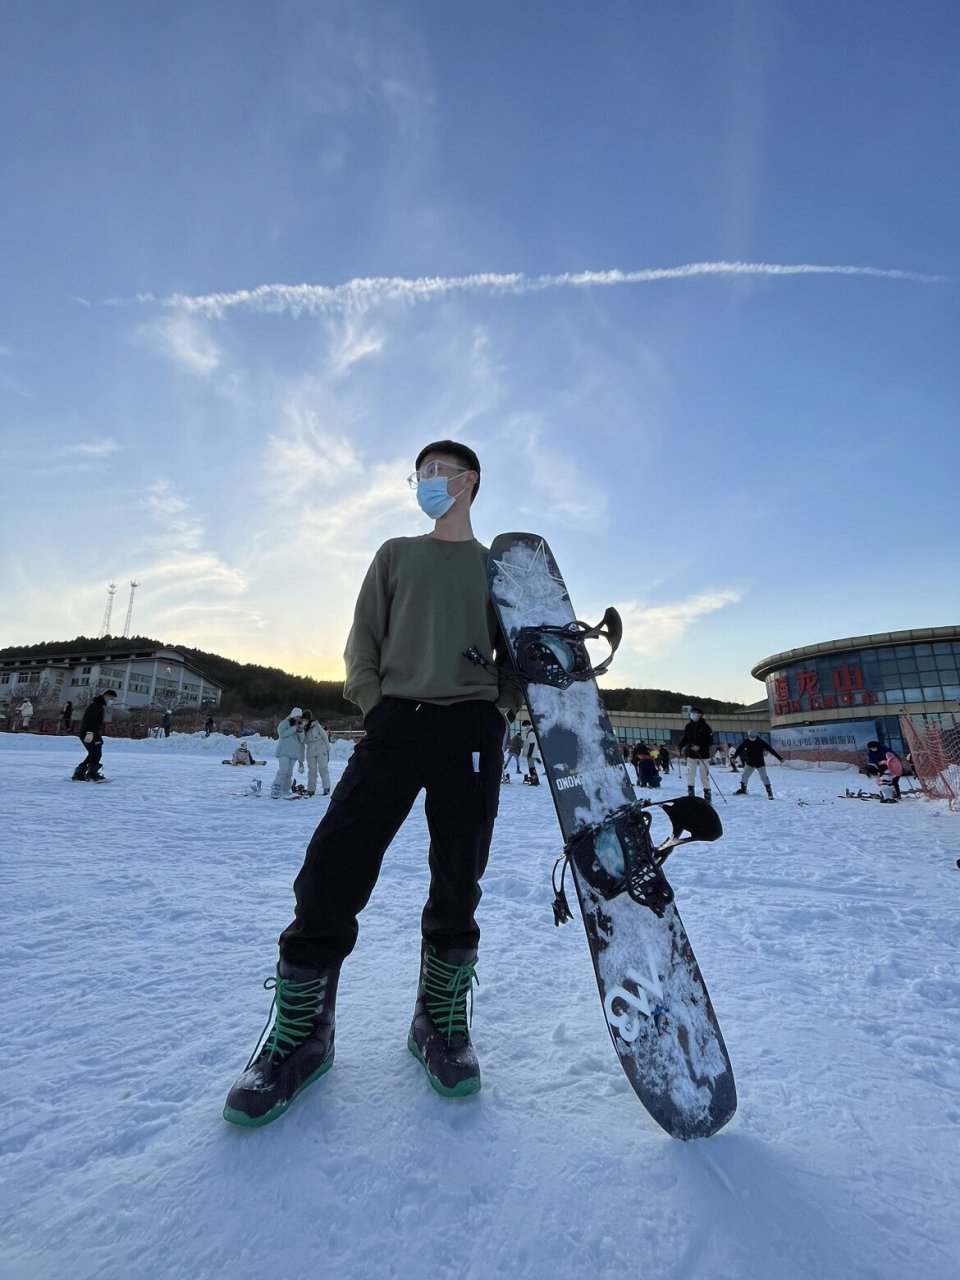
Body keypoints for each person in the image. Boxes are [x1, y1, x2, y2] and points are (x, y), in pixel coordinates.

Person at [224, 439, 519, 1127]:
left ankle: (438, 1027)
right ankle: (303, 1036)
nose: (423, 484)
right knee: (335, 861)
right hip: (397, 722)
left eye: (435, 474)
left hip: (471, 731)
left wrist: (496, 705)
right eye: (418, 476)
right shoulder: (395, 554)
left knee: (459, 875)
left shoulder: (495, 568)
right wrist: (374, 704)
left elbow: (517, 659)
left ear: (468, 481)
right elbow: (363, 641)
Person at [71, 690, 118, 781]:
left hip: (92, 732)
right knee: (96, 753)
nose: (112, 701)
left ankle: (80, 772)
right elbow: (91, 721)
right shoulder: (96, 706)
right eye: (111, 699)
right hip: (90, 733)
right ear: (106, 696)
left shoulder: (98, 705)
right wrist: (89, 733)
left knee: (94, 753)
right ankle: (91, 774)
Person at [732, 730, 783, 799]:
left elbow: (770, 749)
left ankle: (770, 793)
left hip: (760, 763)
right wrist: (734, 757)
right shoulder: (746, 742)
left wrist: (780, 758)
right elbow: (739, 749)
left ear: (756, 736)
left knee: (764, 778)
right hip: (750, 763)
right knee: (744, 776)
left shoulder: (760, 742)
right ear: (748, 736)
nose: (752, 738)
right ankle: (743, 790)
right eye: (751, 736)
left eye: (753, 737)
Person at [678, 706, 714, 802]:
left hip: (703, 755)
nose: (693, 715)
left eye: (695, 713)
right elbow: (686, 738)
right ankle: (691, 794)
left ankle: (707, 795)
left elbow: (710, 741)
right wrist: (680, 746)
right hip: (691, 754)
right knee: (690, 774)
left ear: (700, 715)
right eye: (692, 713)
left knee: (704, 776)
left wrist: (700, 746)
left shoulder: (706, 727)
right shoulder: (688, 726)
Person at [271, 708, 305, 798]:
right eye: (297, 716)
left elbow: (302, 740)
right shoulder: (284, 723)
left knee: (289, 773)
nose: (298, 718)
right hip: (283, 752)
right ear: (293, 715)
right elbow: (282, 734)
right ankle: (275, 787)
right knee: (283, 771)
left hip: (293, 753)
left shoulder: (299, 725)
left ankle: (285, 790)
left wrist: (301, 732)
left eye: (300, 717)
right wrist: (294, 728)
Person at [298, 710, 331, 796]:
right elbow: (301, 741)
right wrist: (301, 730)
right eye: (303, 719)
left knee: (323, 769)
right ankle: (311, 789)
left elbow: (324, 736)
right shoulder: (301, 728)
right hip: (310, 750)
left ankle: (326, 788)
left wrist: (328, 750)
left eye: (306, 719)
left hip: (321, 748)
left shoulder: (316, 725)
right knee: (312, 770)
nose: (305, 721)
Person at [521, 718, 540, 785]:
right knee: (531, 767)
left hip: (531, 753)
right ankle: (535, 780)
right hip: (530, 752)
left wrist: (529, 754)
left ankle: (534, 781)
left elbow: (532, 744)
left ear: (527, 725)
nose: (524, 728)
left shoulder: (531, 732)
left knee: (532, 768)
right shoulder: (530, 732)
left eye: (524, 726)